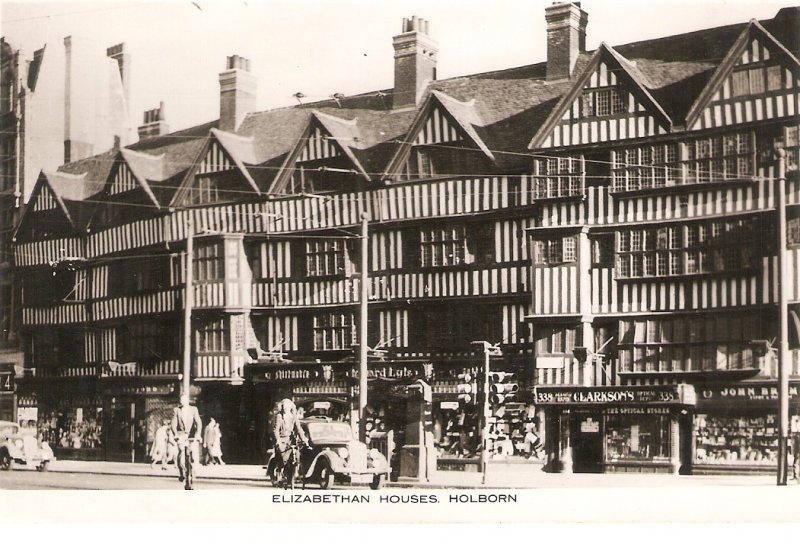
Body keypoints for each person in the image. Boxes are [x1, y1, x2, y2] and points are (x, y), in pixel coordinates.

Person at [272, 398, 308, 485]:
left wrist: (304, 439)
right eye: (284, 406)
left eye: (287, 406)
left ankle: (295, 473)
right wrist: (278, 441)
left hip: (291, 439)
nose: (285, 408)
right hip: (282, 439)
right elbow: (276, 430)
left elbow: (299, 429)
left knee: (297, 455)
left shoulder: (293, 417)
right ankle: (279, 473)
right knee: (283, 457)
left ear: (291, 407)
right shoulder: (279, 416)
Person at [171, 394, 203, 490]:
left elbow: (198, 422)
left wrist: (198, 434)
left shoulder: (194, 409)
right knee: (180, 453)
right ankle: (181, 471)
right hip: (181, 435)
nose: (182, 402)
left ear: (188, 400)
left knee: (192, 456)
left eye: (184, 400)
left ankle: (190, 477)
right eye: (181, 400)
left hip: (191, 436)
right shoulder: (177, 410)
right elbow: (173, 424)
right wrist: (176, 434)